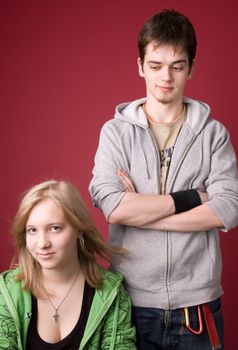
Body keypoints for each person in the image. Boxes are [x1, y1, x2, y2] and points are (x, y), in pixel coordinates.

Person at [89, 9, 238, 350]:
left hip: (197, 307)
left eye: (177, 66)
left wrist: (143, 215)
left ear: (192, 68)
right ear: (140, 65)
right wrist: (192, 198)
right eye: (155, 66)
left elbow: (228, 209)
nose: (166, 78)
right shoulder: (115, 133)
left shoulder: (213, 134)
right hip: (130, 304)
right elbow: (113, 206)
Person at [0, 179, 136, 349]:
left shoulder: (112, 293)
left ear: (79, 229)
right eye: (32, 230)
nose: (42, 243)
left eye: (55, 228)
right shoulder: (6, 292)